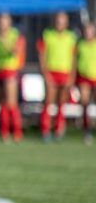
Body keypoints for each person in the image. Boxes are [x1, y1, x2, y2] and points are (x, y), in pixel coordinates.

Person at [37, 11, 76, 141]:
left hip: (65, 72)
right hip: (51, 72)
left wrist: (72, 75)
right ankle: (45, 130)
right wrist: (45, 74)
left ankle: (59, 129)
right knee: (48, 102)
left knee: (61, 103)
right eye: (58, 20)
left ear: (66, 22)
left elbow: (73, 58)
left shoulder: (71, 37)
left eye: (62, 20)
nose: (60, 23)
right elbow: (42, 55)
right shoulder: (47, 35)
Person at [0, 12, 26, 143]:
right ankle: (3, 131)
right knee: (2, 103)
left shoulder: (14, 34)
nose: (1, 23)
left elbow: (16, 51)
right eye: (0, 20)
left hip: (10, 70)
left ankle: (17, 132)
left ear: (9, 22)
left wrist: (6, 43)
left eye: (4, 21)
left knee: (11, 103)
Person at [75, 22, 96, 145]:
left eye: (90, 31)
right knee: (84, 103)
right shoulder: (80, 45)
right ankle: (86, 131)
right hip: (84, 78)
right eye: (86, 31)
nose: (88, 33)